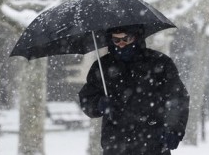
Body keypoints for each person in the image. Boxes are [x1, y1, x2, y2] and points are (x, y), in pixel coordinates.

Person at [79, 25, 190, 155]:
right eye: (116, 40)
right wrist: (99, 104)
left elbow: (177, 97)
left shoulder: (160, 62)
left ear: (136, 37)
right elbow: (87, 98)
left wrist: (173, 128)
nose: (121, 44)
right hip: (116, 144)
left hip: (153, 143)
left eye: (126, 39)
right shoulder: (102, 66)